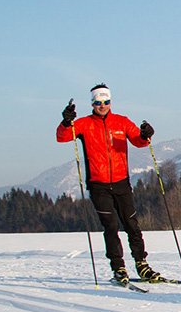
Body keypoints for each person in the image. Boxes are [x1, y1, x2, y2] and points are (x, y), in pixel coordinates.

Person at [57, 83, 163, 284]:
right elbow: (62, 137)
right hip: (99, 185)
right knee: (111, 226)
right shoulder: (84, 124)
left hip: (122, 183)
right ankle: (119, 268)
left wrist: (146, 134)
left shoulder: (122, 122)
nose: (102, 105)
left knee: (132, 225)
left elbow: (139, 141)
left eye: (105, 102)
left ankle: (142, 265)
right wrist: (65, 121)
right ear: (92, 104)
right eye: (98, 102)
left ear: (110, 102)